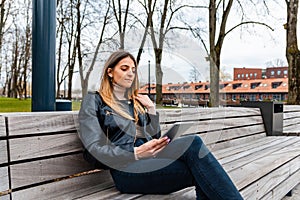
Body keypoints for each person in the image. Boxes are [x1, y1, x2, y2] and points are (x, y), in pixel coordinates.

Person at [78, 50, 243, 200]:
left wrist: (151, 110)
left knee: (195, 149)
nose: (130, 74)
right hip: (126, 171)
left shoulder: (134, 102)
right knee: (199, 163)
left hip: (151, 160)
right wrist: (134, 153)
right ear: (110, 72)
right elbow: (92, 152)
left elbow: (153, 140)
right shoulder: (95, 101)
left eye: (133, 70)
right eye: (124, 68)